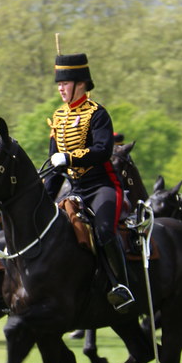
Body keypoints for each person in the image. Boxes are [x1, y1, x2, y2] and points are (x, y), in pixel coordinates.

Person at [44, 51, 134, 312]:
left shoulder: (97, 113)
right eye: (59, 84)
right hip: (74, 189)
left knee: (104, 230)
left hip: (102, 186)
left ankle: (122, 285)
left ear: (81, 84)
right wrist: (45, 198)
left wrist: (69, 158)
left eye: (65, 83)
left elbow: (103, 150)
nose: (60, 88)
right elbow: (55, 167)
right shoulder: (58, 117)